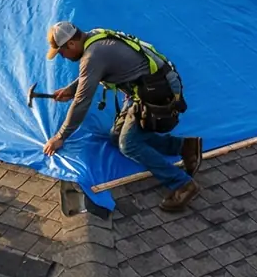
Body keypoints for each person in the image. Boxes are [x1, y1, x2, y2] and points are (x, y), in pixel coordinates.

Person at [40, 21, 203, 211]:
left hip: (155, 92)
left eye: (61, 52)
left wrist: (60, 136)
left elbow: (81, 102)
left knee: (129, 144)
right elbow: (91, 74)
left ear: (71, 44)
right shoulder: (94, 36)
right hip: (142, 88)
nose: (63, 57)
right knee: (117, 137)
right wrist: (71, 89)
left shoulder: (93, 54)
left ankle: (183, 184)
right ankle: (185, 147)